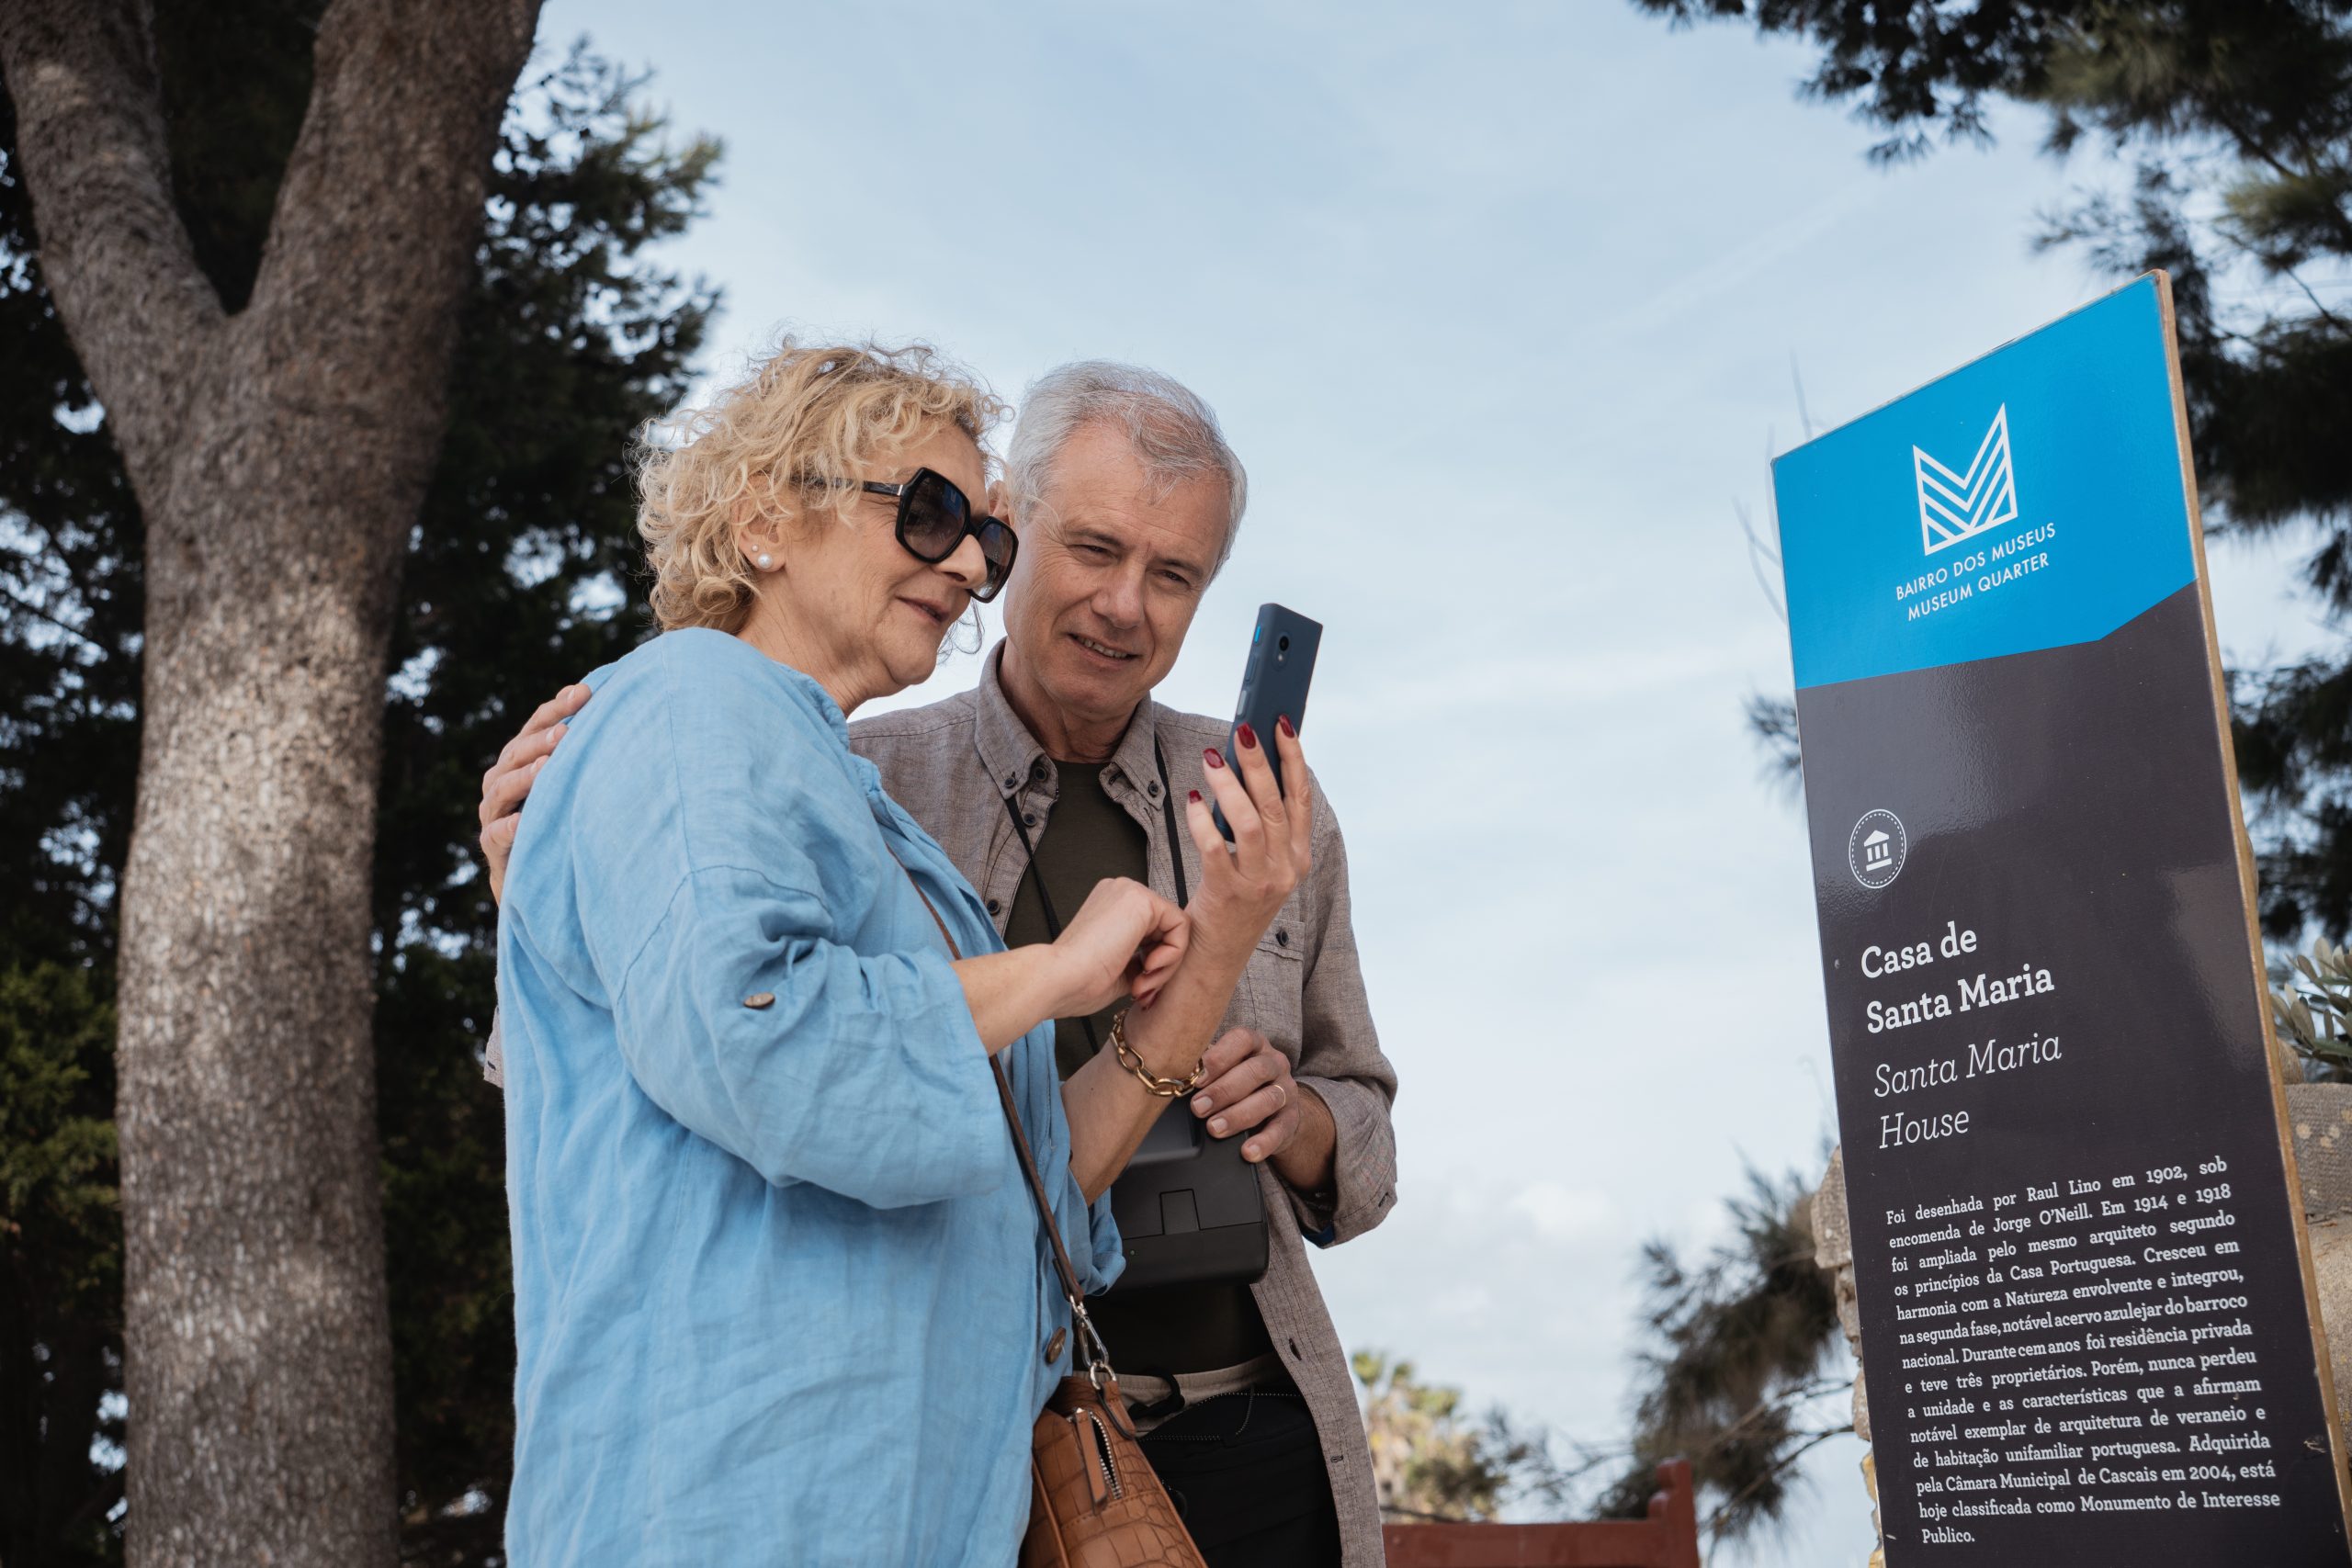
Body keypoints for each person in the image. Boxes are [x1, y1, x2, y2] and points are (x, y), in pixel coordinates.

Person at [482, 362, 1397, 1567]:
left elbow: (1038, 1187)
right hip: (770, 1492)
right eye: (932, 517)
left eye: (1172, 575)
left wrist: (1224, 932)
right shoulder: (712, 712)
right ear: (764, 516)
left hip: (948, 1485)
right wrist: (1058, 974)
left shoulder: (855, 801)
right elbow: (754, 1035)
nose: (968, 565)